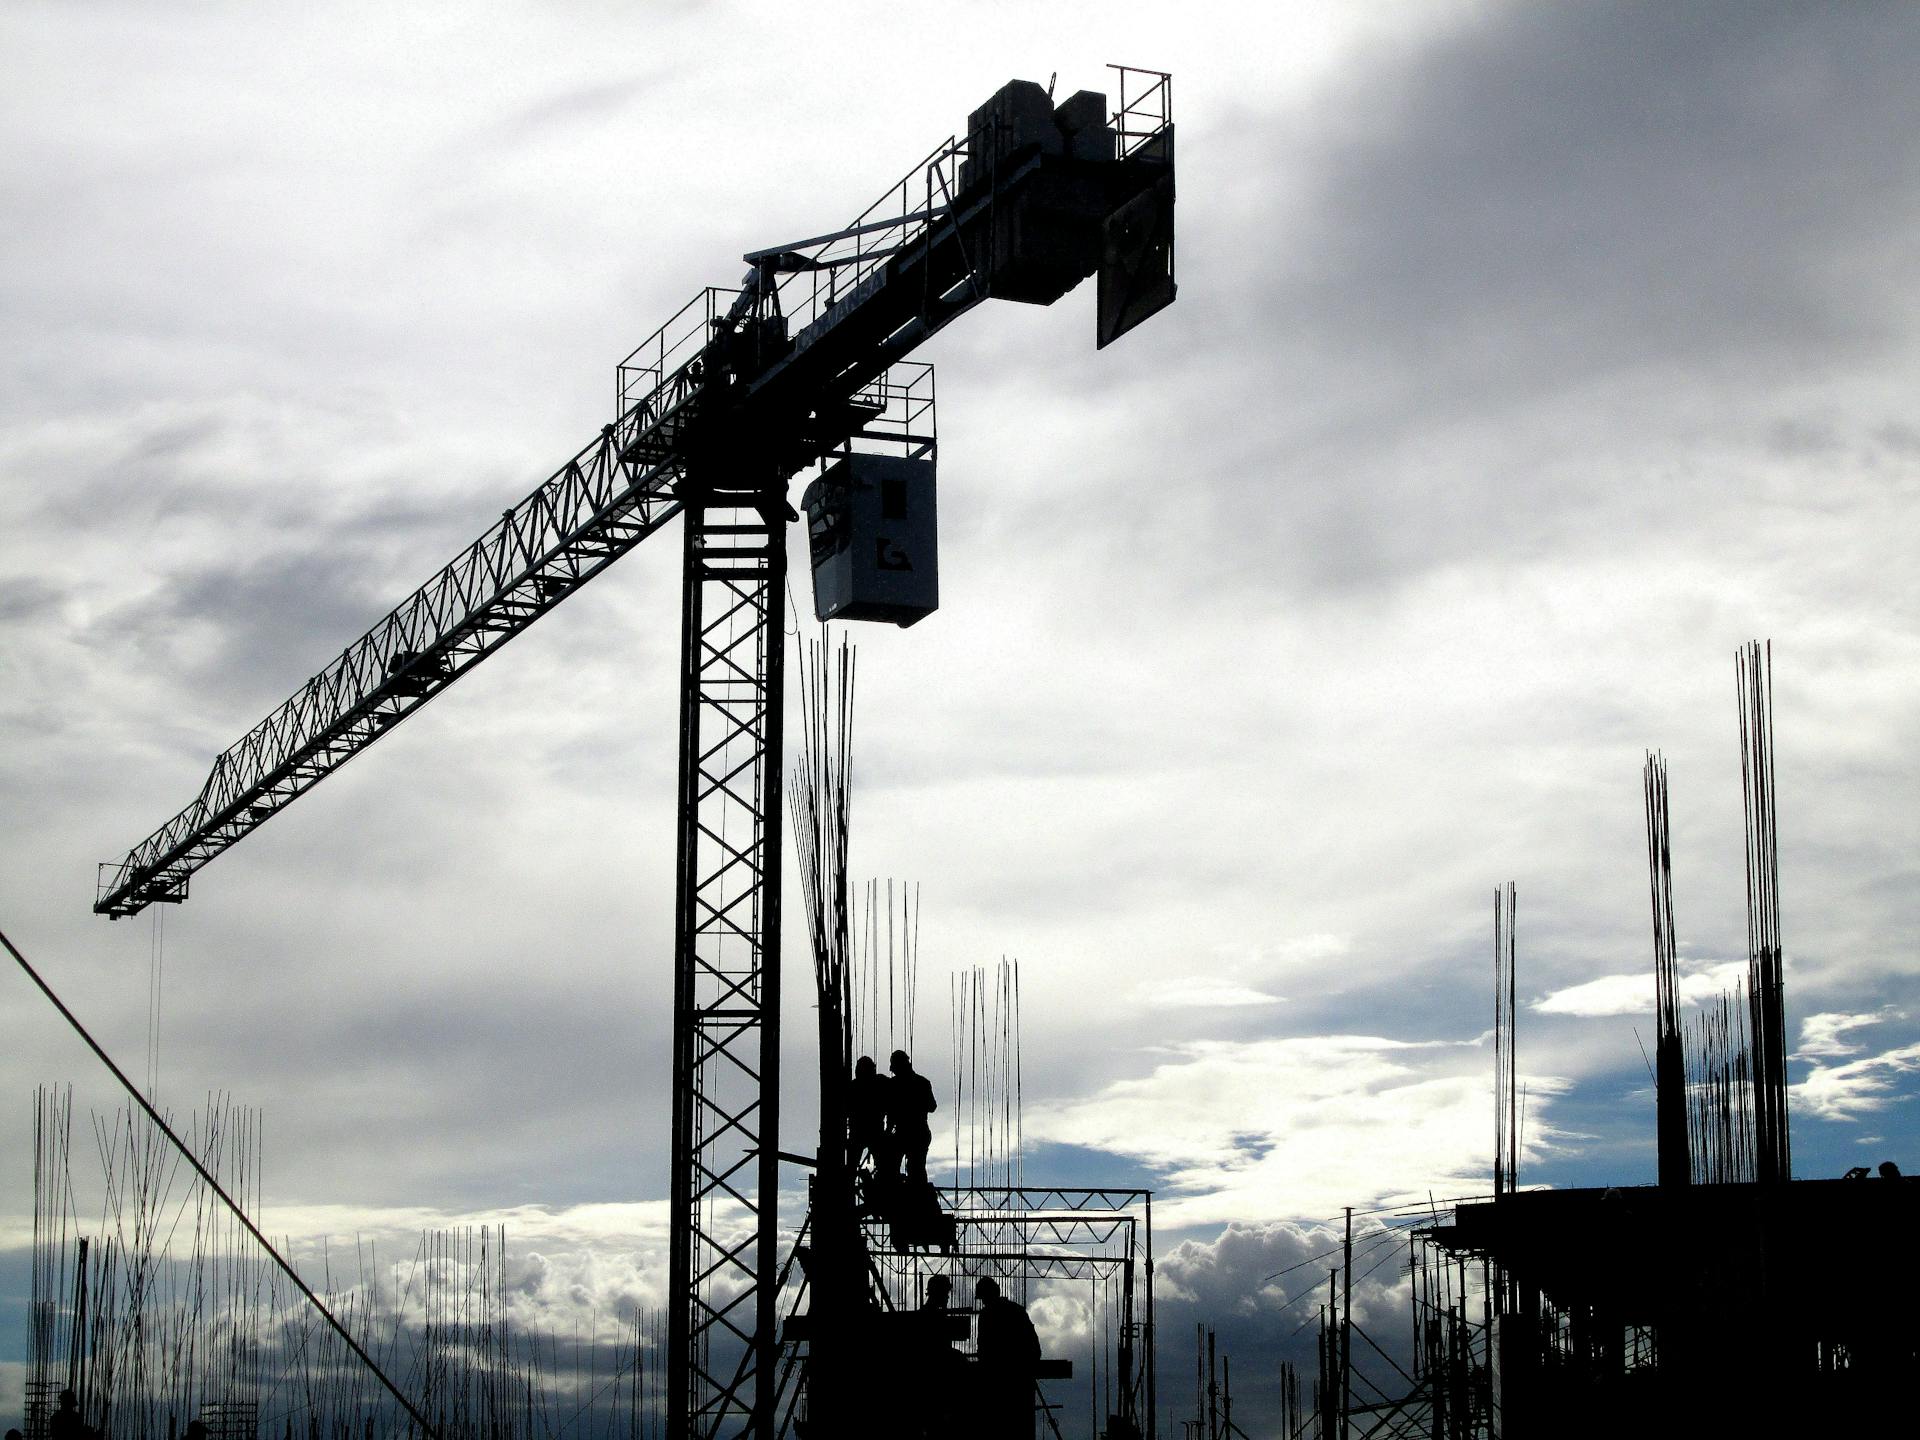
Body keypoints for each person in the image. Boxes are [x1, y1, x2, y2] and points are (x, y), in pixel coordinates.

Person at [973, 1277, 1041, 1440]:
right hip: (1022, 1382)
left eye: (983, 1298)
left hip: (997, 1385)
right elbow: (1034, 1346)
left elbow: (984, 1350)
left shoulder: (987, 1314)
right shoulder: (1017, 1310)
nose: (982, 1302)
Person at [887, 1049, 938, 1186]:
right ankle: (918, 1197)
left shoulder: (893, 1085)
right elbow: (932, 1107)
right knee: (916, 1169)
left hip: (907, 1133)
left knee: (894, 1167)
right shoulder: (922, 1082)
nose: (891, 1069)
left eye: (893, 1065)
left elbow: (890, 1112)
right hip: (919, 1132)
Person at [849, 1055, 892, 1175]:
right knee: (883, 1167)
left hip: (860, 1132)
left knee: (851, 1167)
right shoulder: (880, 1082)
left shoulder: (853, 1087)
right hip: (874, 1131)